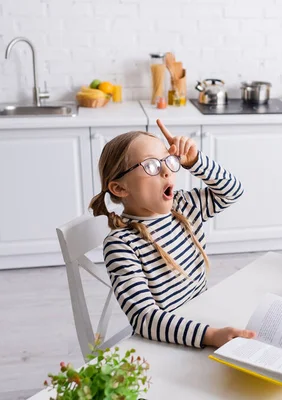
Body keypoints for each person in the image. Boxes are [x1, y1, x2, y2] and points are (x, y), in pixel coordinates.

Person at [89, 119, 254, 348]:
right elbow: (144, 319)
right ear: (119, 188)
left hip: (204, 320)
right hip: (171, 342)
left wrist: (195, 161)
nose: (167, 170)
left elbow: (232, 191)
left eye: (168, 160)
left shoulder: (183, 207)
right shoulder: (121, 245)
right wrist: (211, 336)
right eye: (152, 166)